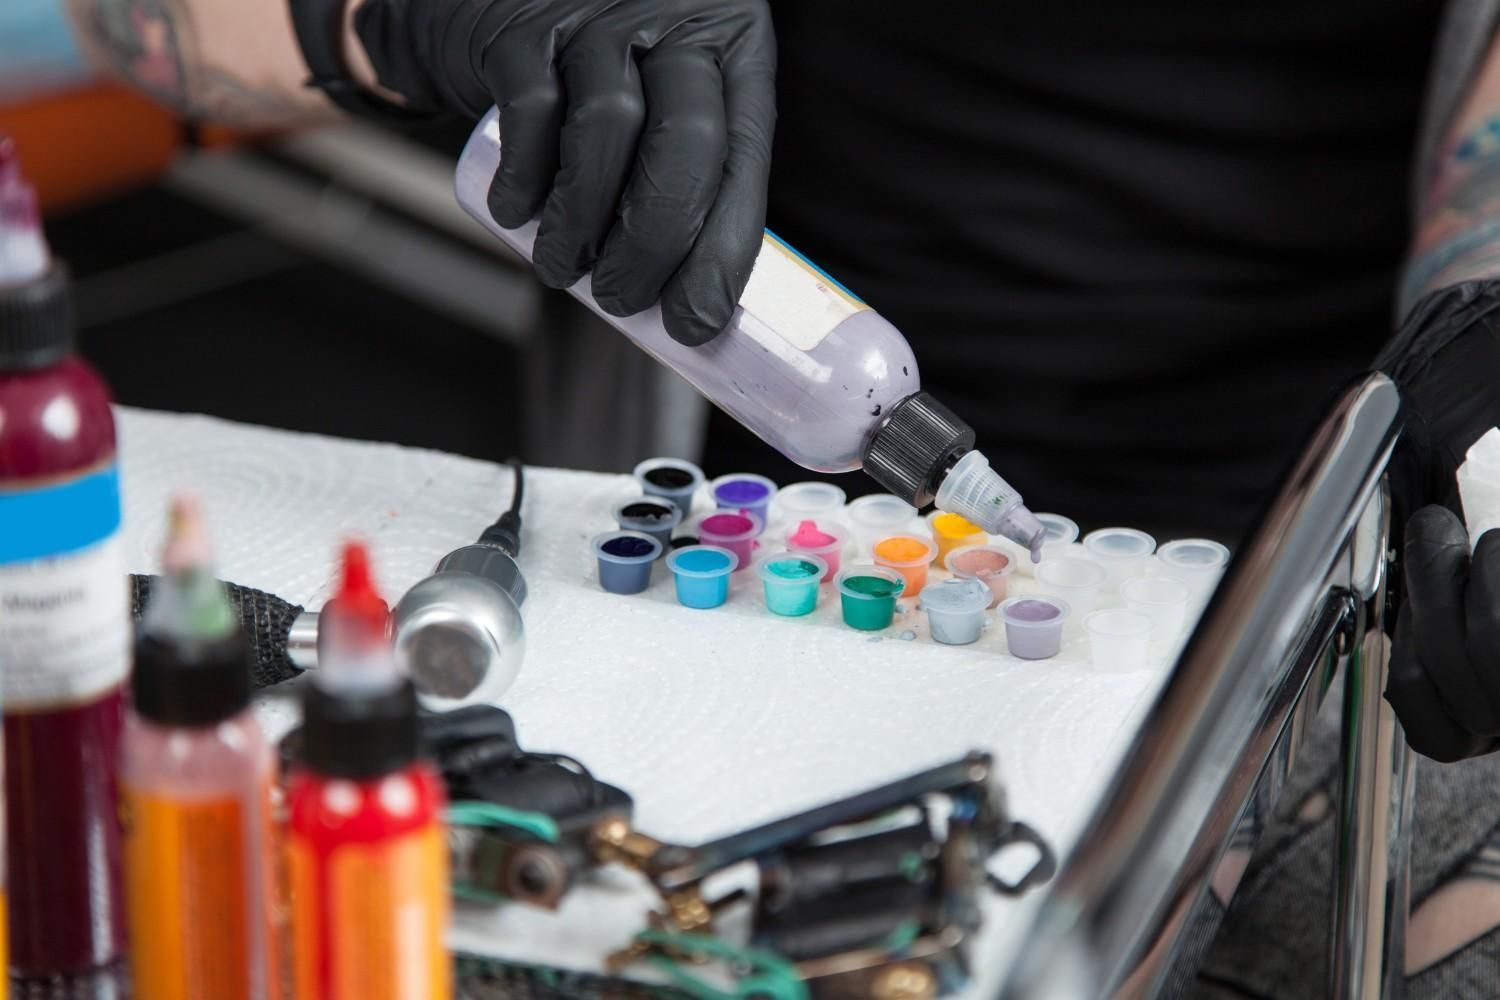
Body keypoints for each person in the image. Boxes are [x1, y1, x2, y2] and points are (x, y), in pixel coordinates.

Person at [9, 0, 1500, 993]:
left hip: (1307, 559)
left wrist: (1484, 353)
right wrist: (393, 13)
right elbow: (98, 23)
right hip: (740, 533)